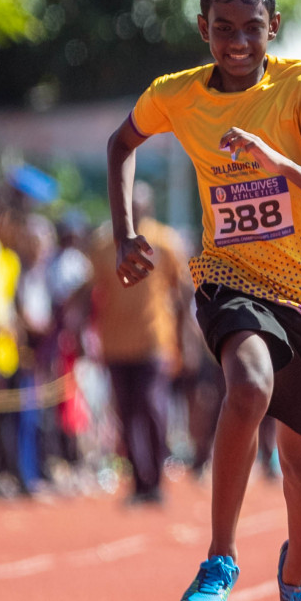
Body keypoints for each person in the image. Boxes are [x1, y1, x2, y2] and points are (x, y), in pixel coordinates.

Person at [106, 0, 301, 601]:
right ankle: (220, 557)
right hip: (230, 277)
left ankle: (297, 573)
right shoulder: (178, 94)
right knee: (246, 386)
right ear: (202, 26)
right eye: (223, 28)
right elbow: (121, 142)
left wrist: (281, 163)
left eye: (252, 27)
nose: (237, 43)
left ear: (273, 26)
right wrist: (125, 232)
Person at [89, 182, 189, 505]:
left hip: (154, 341)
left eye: (139, 202)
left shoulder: (165, 241)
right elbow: (94, 292)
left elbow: (183, 293)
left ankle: (156, 481)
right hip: (116, 343)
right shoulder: (105, 244)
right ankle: (137, 482)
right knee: (127, 413)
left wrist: (186, 340)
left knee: (153, 407)